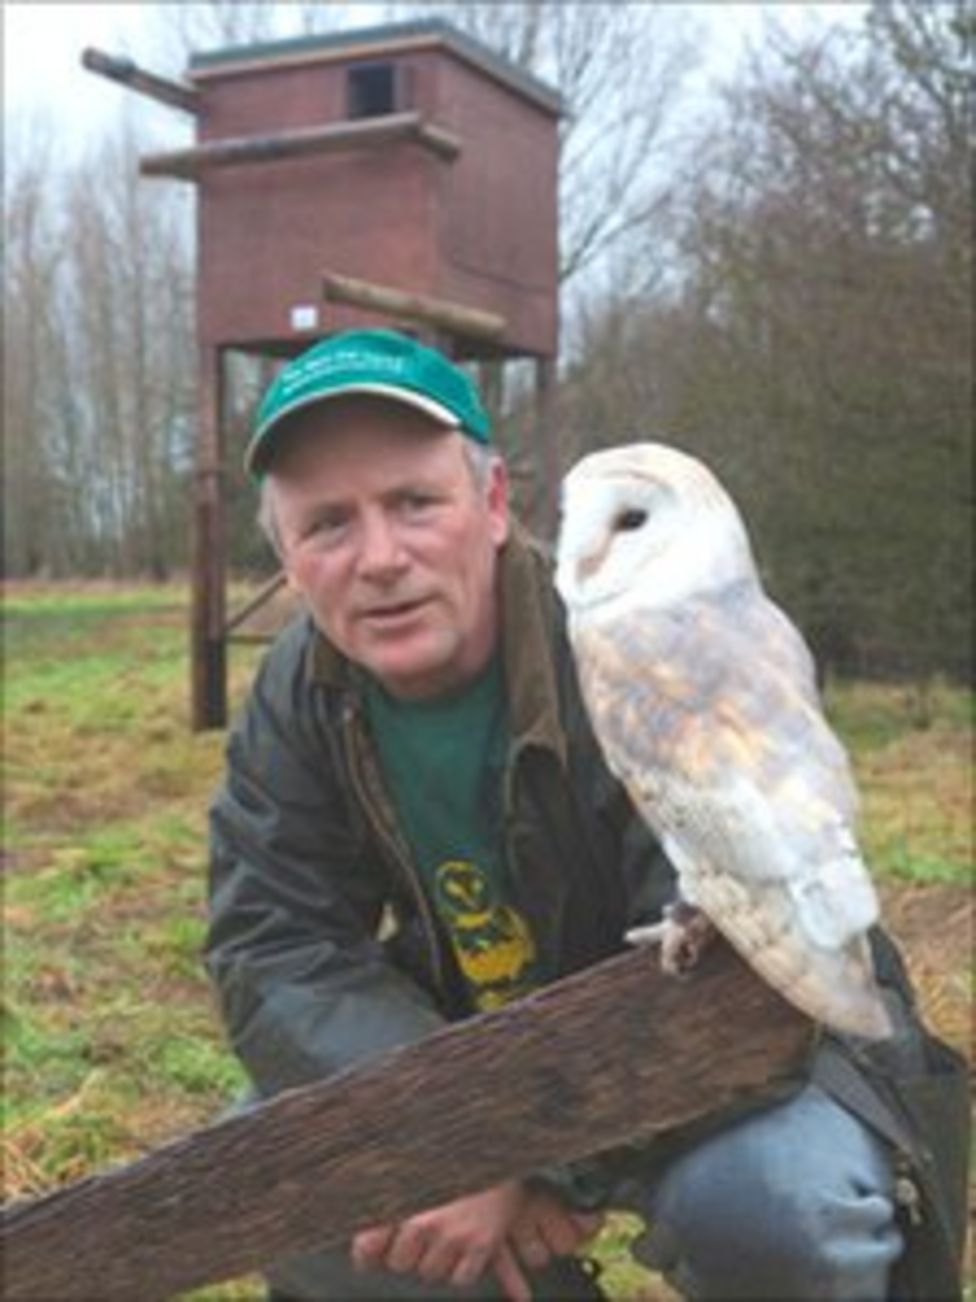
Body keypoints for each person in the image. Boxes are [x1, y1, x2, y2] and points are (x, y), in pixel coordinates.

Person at [206, 328, 968, 1301]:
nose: (380, 557)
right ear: (287, 557)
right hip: (479, 1066)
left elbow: (730, 974)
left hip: (753, 1047)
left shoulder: (644, 646)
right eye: (327, 526)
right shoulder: (299, 689)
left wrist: (519, 1154)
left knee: (778, 1205)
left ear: (489, 506)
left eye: (413, 503)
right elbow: (274, 947)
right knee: (283, 1176)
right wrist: (445, 1138)